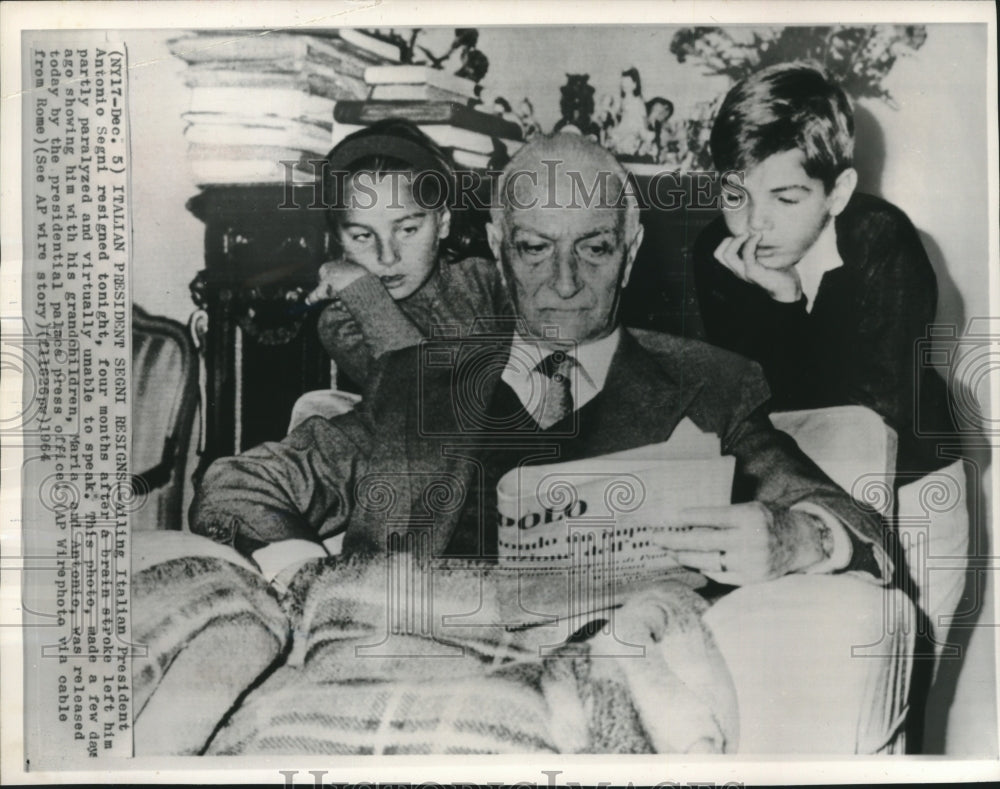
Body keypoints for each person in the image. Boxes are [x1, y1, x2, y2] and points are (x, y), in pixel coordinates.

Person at [192, 132, 889, 589]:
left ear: (633, 247)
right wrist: (310, 580)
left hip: (596, 688)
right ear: (497, 243)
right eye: (533, 248)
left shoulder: (710, 384)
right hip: (402, 663)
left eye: (592, 248)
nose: (563, 282)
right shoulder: (418, 381)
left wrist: (799, 537)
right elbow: (235, 487)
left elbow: (858, 526)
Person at [693, 62, 956, 481]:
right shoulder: (717, 252)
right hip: (794, 470)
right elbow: (748, 405)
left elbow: (870, 418)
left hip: (912, 471)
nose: (757, 222)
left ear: (838, 193)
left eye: (787, 199)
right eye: (736, 197)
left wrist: (788, 305)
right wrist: (783, 301)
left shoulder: (884, 241)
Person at [305, 118, 507, 389]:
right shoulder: (344, 320)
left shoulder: (484, 279)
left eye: (408, 230)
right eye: (362, 236)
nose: (387, 257)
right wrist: (363, 293)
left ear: (442, 223)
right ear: (338, 238)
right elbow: (420, 398)